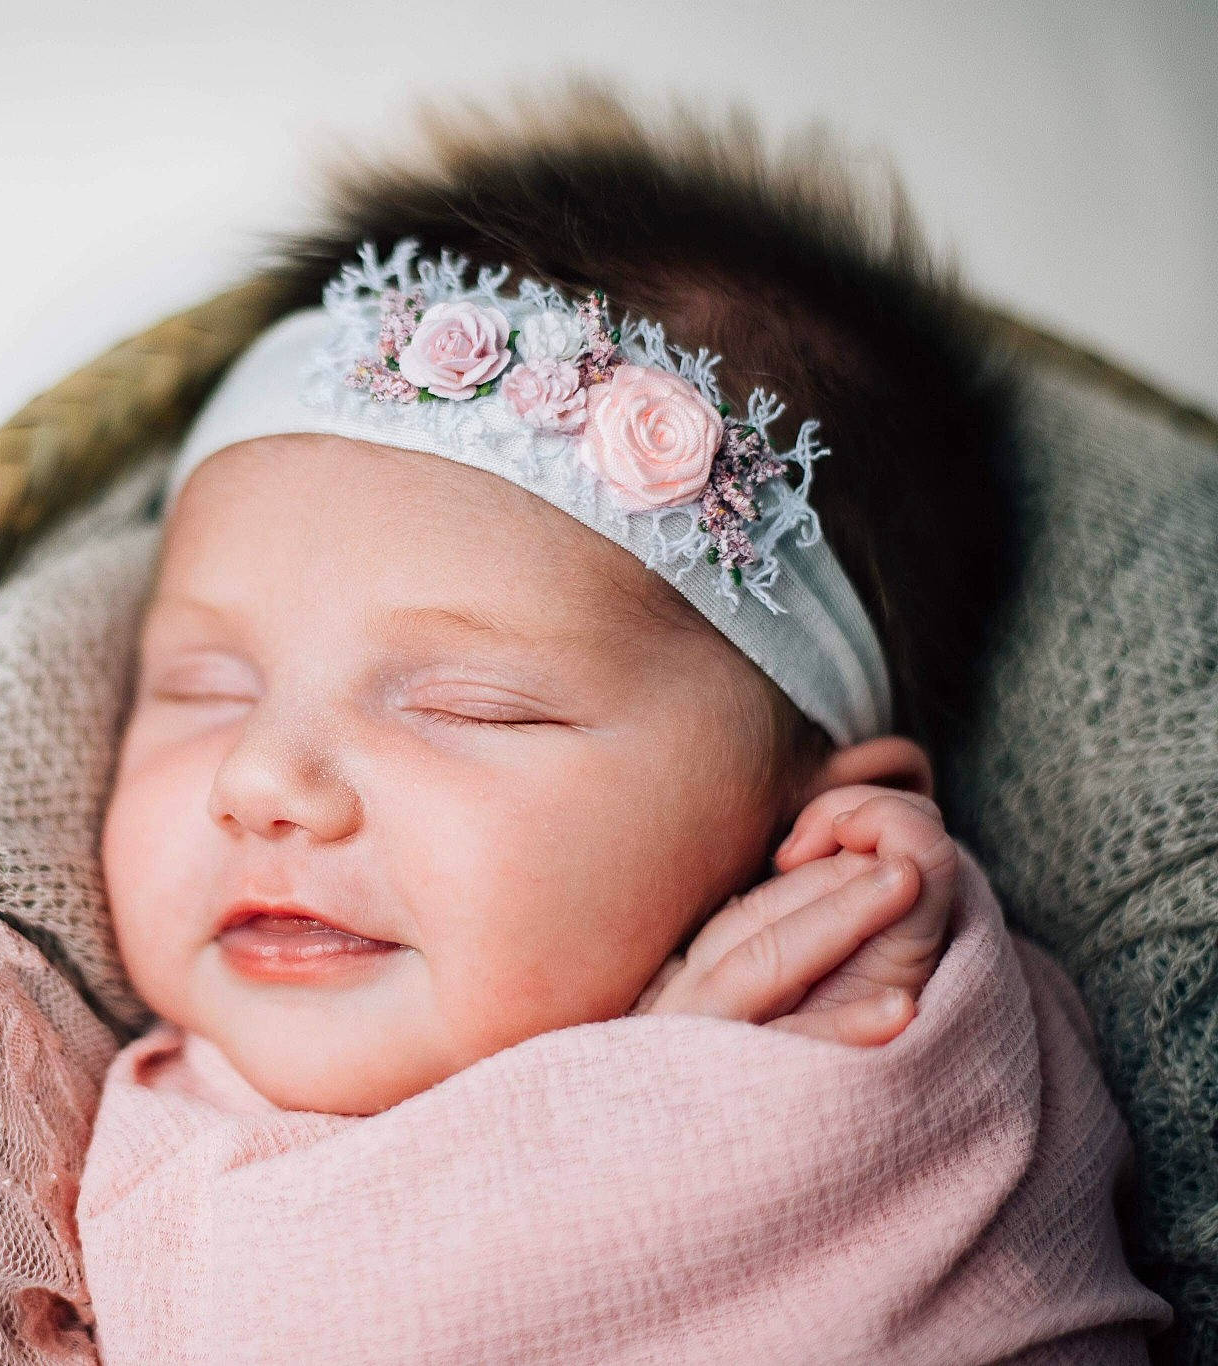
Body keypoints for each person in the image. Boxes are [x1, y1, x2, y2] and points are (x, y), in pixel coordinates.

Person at [75, 89, 1174, 1361]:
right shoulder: (152, 1103)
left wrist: (731, 1096)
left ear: (803, 835)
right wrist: (633, 1101)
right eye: (202, 688)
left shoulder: (887, 996)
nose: (261, 778)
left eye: (462, 705)